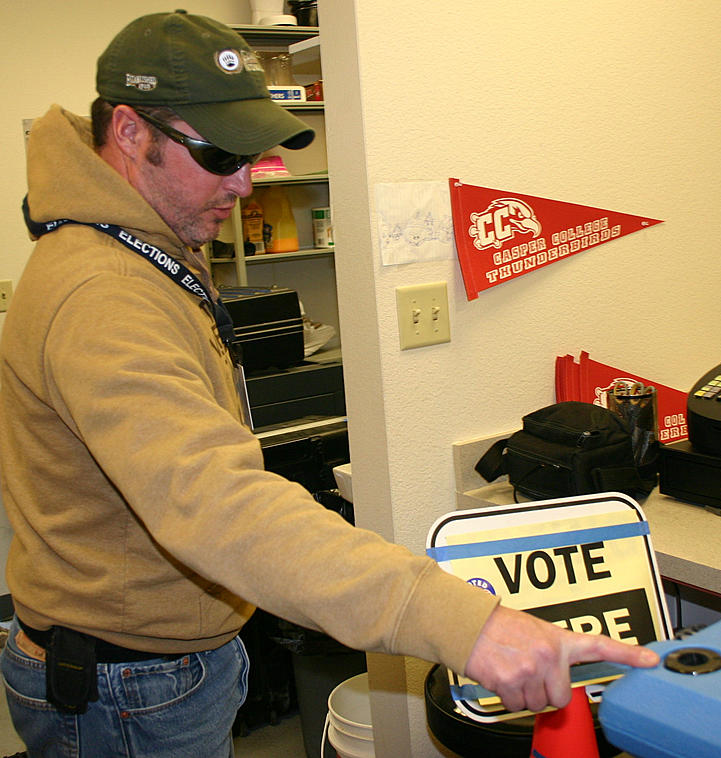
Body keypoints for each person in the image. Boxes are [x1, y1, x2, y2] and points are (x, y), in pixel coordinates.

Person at [0, 11, 657, 756]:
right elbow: (219, 504)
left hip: (164, 661)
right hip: (126, 690)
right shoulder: (101, 291)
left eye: (253, 155)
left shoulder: (145, 234)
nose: (246, 183)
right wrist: (464, 624)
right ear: (128, 133)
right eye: (221, 155)